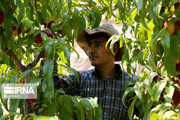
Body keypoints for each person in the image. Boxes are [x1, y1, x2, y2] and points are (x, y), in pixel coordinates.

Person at [53, 23, 136, 120]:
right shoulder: (79, 80)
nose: (90, 51)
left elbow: (150, 112)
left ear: (114, 48)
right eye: (89, 45)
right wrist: (48, 55)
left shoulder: (132, 84)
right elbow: (50, 90)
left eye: (97, 44)